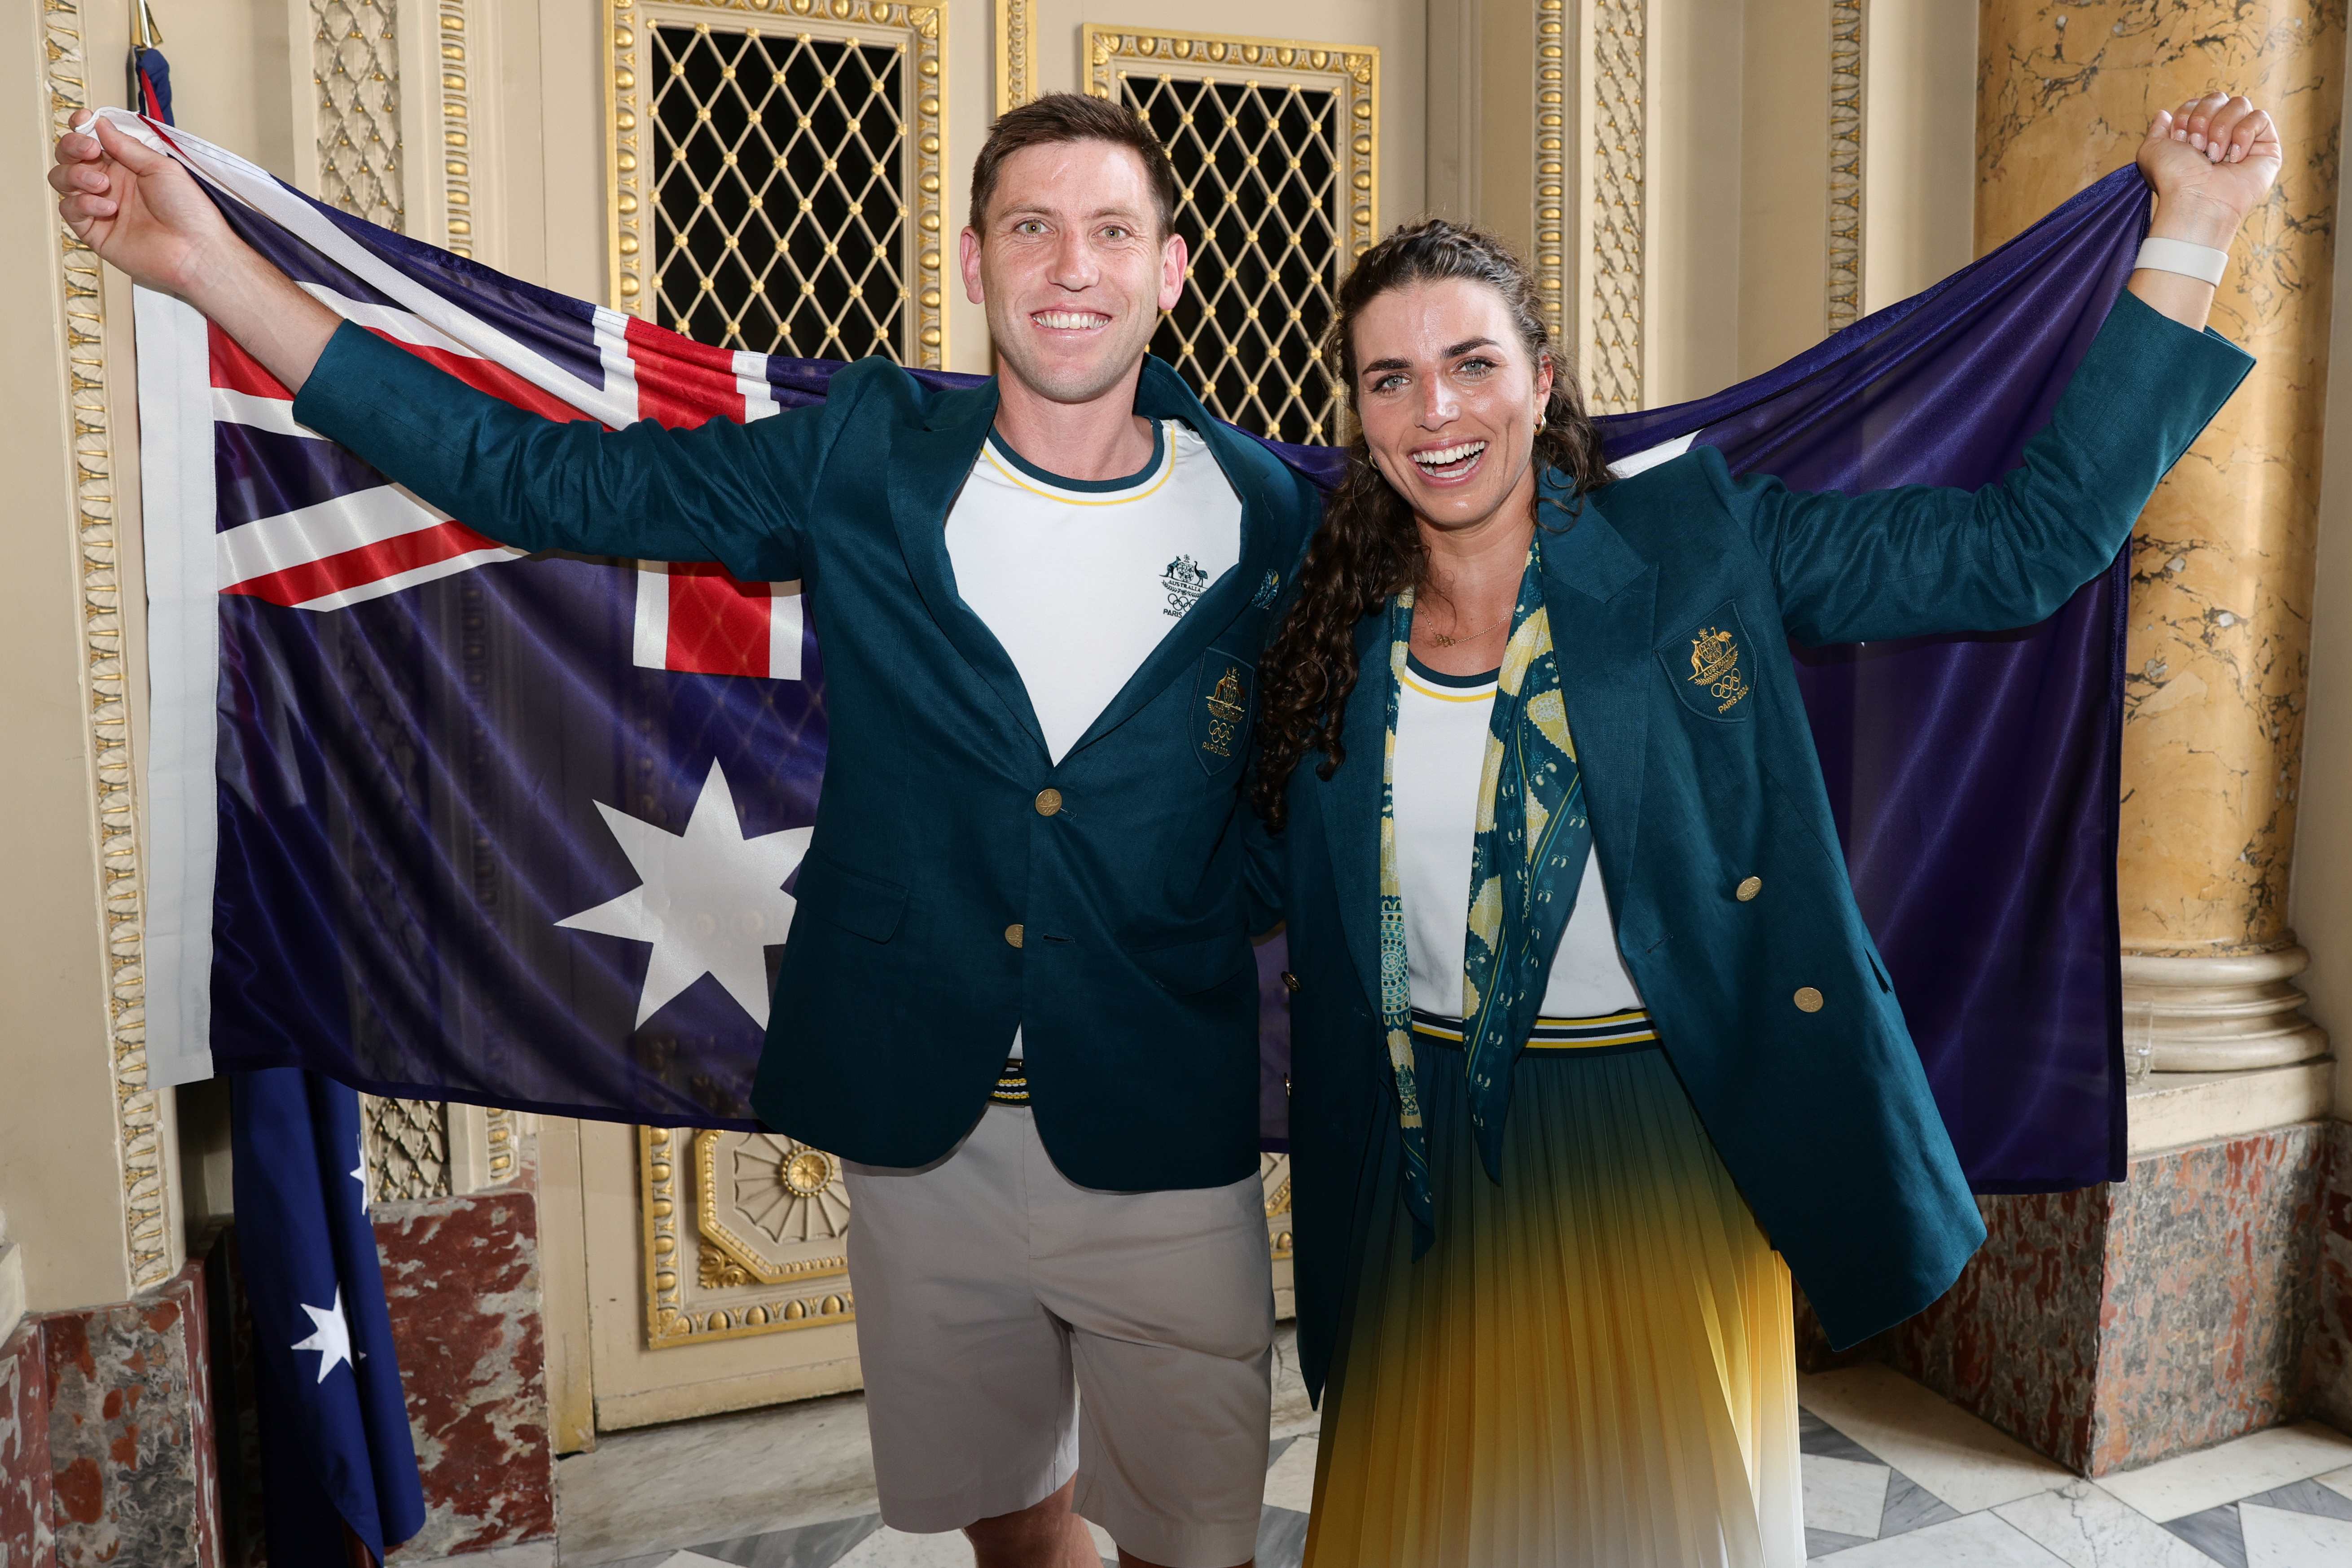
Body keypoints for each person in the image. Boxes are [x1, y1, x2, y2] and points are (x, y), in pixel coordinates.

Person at [53, 93, 1315, 1568]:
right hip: (923, 1133)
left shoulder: (1262, 510)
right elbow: (542, 478)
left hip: (1165, 1127)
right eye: (1033, 228)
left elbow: (1312, 776)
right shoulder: (866, 452)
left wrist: (1195, 910)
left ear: (1170, 271)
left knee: (1198, 1549)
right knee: (1013, 1537)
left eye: (1113, 231)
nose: (1072, 266)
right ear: (976, 264)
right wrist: (212, 272)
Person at [1246, 93, 2273, 1567]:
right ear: (1356, 414)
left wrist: (2194, 229)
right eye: (1390, 380)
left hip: (1659, 1142)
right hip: (1420, 1179)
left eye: (1472, 365)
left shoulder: (1697, 546)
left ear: (1542, 384)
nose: (1437, 412)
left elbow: (2020, 551)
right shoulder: (1327, 627)